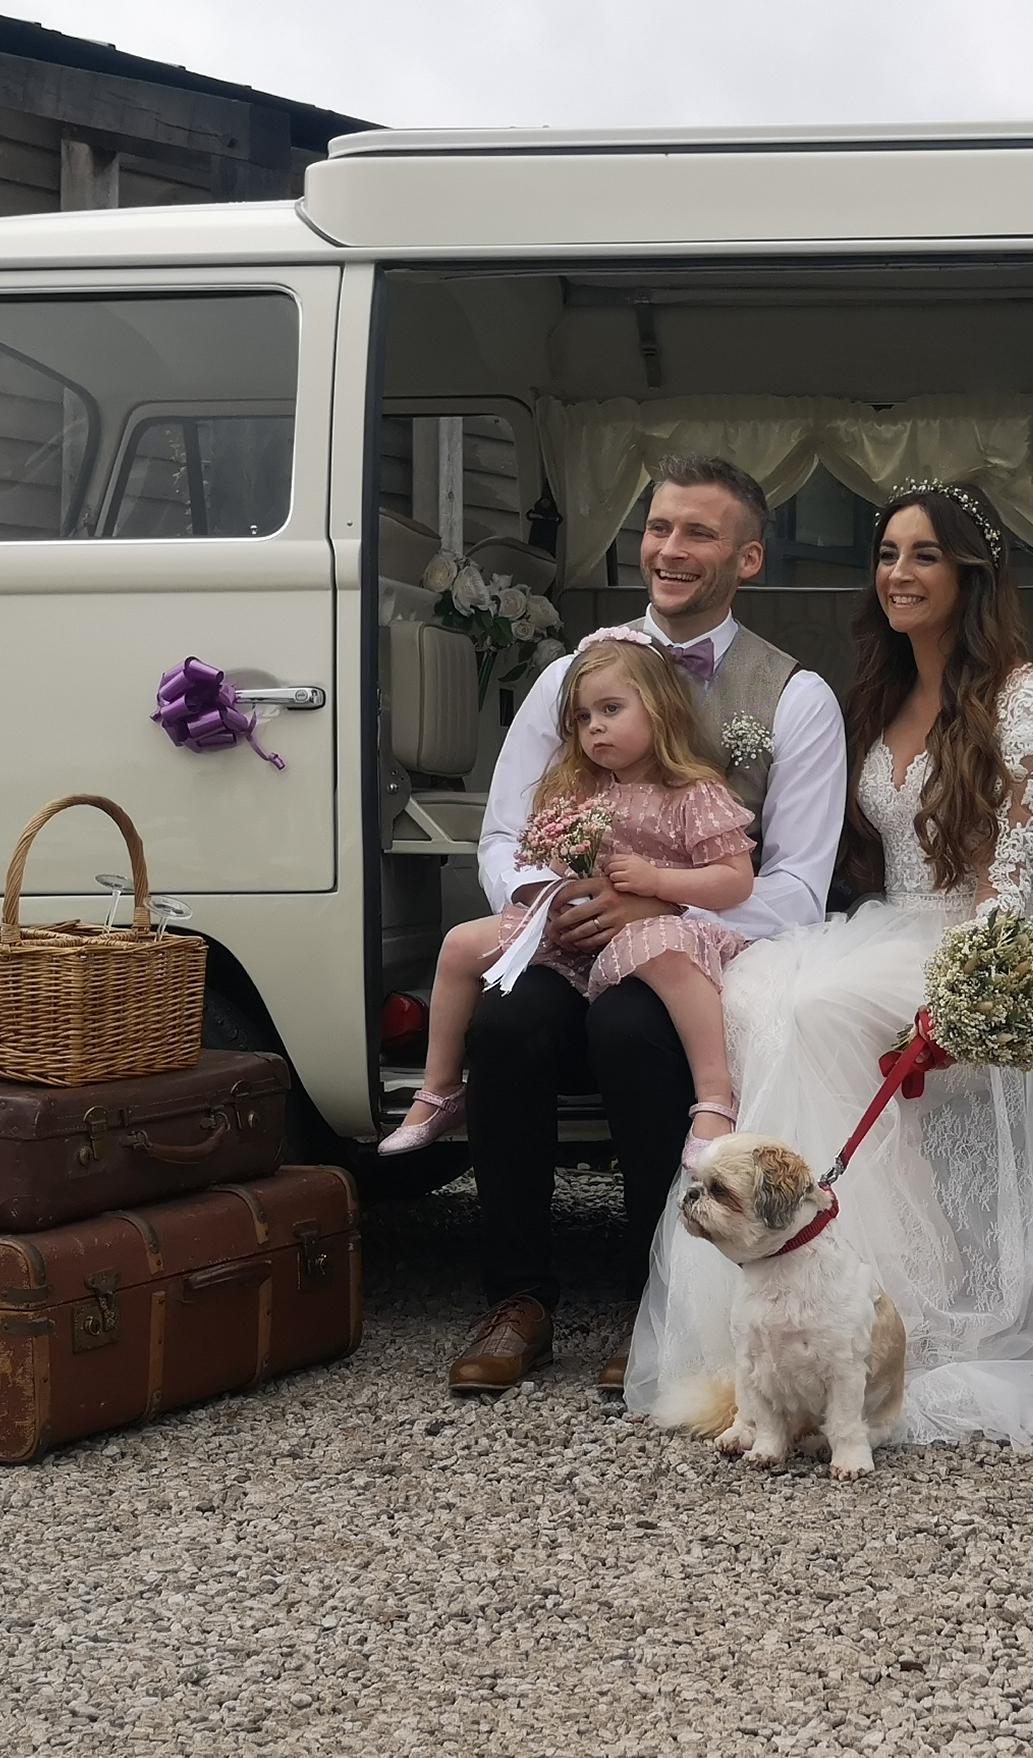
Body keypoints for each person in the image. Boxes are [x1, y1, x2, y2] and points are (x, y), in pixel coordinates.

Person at [627, 480, 1033, 1450]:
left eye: (923, 555)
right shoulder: (885, 689)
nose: (898, 573)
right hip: (889, 927)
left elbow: (1007, 888)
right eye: (887, 555)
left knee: (814, 1008)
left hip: (986, 944)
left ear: (971, 573)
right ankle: (774, 1330)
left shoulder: (1026, 697)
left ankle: (887, 1305)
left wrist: (960, 1003)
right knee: (766, 989)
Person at [447, 455, 847, 1395]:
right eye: (658, 528)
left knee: (631, 1027)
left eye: (698, 533)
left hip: (698, 946)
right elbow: (503, 833)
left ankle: (654, 1302)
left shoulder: (795, 696)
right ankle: (518, 1297)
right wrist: (550, 901)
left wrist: (659, 901)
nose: (669, 550)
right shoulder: (574, 675)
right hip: (567, 927)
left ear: (747, 559)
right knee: (507, 1022)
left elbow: (797, 885)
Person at [379, 627, 756, 1165]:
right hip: (578, 935)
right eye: (582, 718)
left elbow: (734, 879)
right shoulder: (577, 791)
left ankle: (715, 1096)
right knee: (462, 944)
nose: (595, 727)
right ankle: (440, 1089)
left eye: (610, 709)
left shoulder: (694, 793)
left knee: (670, 953)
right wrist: (556, 884)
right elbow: (540, 856)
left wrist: (658, 883)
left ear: (660, 710)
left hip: (653, 930)